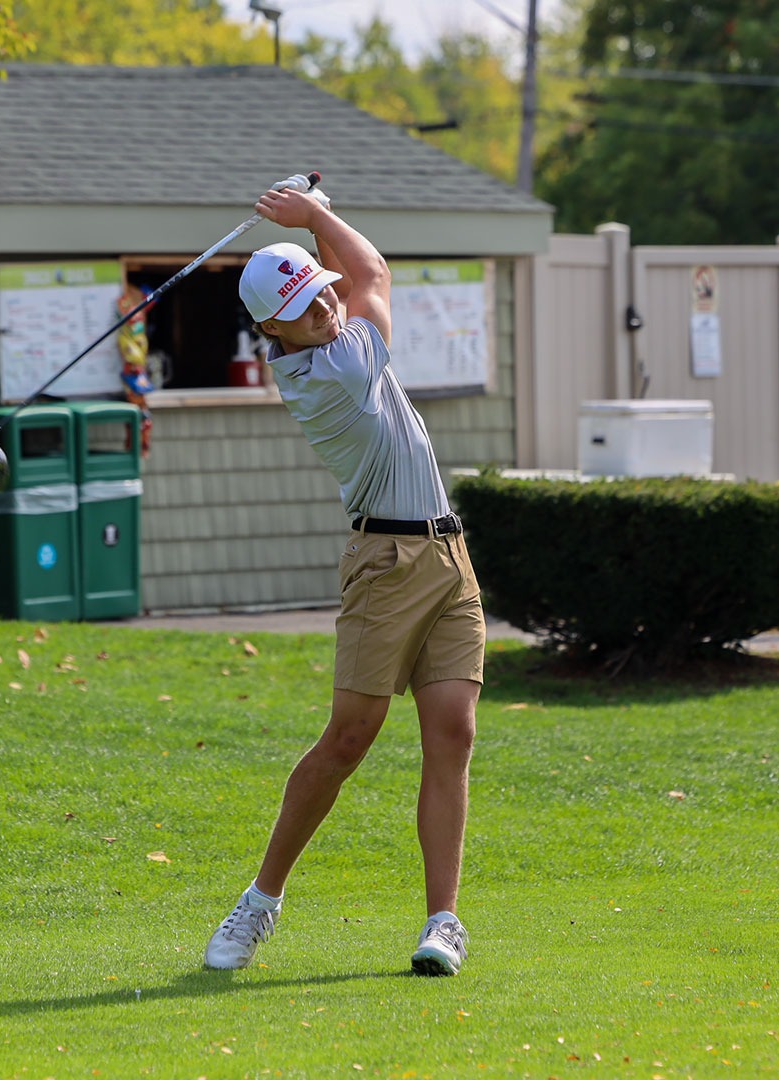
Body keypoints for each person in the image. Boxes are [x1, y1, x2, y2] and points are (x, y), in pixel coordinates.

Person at [202, 182, 485, 976]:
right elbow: (373, 274)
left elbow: (347, 280)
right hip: (385, 567)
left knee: (453, 734)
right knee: (349, 738)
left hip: (447, 558)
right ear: (273, 330)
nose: (327, 308)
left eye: (322, 295)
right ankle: (259, 903)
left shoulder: (325, 338)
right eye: (306, 306)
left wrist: (310, 227)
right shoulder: (335, 371)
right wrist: (317, 215)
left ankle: (443, 922)